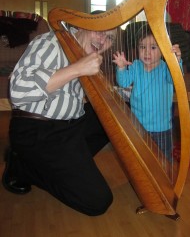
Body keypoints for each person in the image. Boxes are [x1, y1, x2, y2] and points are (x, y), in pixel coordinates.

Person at [2, 14, 117, 216]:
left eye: (109, 38)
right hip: (39, 130)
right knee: (98, 201)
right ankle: (22, 166)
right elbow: (18, 91)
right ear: (81, 25)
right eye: (99, 30)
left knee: (113, 114)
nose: (102, 40)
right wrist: (76, 69)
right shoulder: (49, 43)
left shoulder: (84, 54)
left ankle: (67, 165)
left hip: (71, 127)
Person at [113, 24, 182, 161]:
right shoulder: (136, 66)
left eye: (153, 47)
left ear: (163, 49)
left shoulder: (166, 68)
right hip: (138, 125)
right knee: (141, 158)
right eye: (142, 47)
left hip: (161, 128)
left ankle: (165, 180)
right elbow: (123, 82)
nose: (146, 52)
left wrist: (176, 61)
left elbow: (175, 78)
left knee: (164, 159)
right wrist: (121, 68)